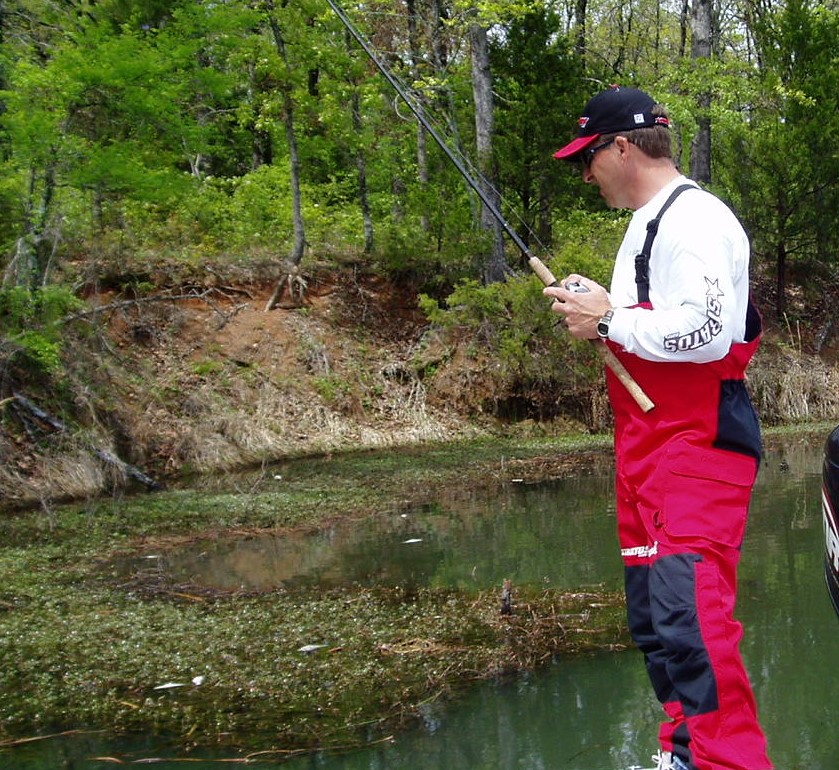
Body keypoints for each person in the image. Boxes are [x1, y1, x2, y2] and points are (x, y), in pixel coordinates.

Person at [545, 85, 773, 770]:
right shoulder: (645, 222)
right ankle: (684, 752)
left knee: (690, 615)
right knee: (654, 620)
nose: (584, 174)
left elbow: (707, 332)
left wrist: (610, 320)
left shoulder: (695, 219)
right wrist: (600, 311)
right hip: (646, 448)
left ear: (622, 146)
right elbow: (651, 325)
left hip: (696, 442)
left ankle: (729, 763)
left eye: (586, 157)